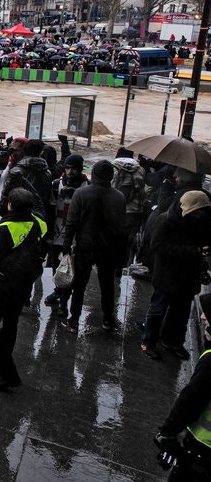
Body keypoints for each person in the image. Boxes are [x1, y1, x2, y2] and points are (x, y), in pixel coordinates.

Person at [0, 188, 47, 391]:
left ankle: (7, 369)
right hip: (23, 284)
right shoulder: (39, 224)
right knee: (11, 324)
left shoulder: (5, 227)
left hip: (2, 283)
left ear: (10, 205)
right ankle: (0, 367)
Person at [140, 190, 211, 360]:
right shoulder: (165, 221)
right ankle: (148, 341)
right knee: (158, 309)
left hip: (188, 276)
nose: (200, 215)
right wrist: (194, 251)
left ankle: (172, 341)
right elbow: (158, 246)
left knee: (181, 313)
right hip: (167, 275)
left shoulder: (202, 222)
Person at [59, 159, 127, 334]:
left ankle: (74, 320)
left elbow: (71, 222)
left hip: (85, 247)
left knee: (79, 286)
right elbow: (122, 228)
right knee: (107, 285)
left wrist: (66, 245)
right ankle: (107, 318)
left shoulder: (81, 194)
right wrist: (122, 254)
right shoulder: (119, 197)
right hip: (108, 249)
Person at [155, 293, 211, 480]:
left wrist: (167, 433)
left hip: (202, 450)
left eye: (208, 315)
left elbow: (191, 399)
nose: (203, 317)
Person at [43, 154, 88, 317]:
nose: (69, 172)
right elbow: (49, 209)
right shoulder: (56, 184)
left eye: (73, 168)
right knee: (56, 265)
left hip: (75, 236)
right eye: (67, 168)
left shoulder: (86, 186)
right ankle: (58, 291)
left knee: (70, 267)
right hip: (57, 233)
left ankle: (64, 300)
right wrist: (48, 233)